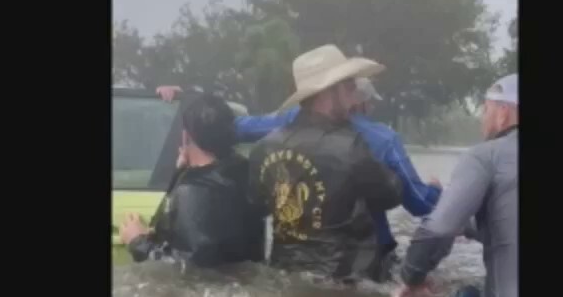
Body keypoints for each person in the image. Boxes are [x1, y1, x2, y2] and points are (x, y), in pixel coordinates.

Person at [155, 78, 443, 275]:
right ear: (341, 94)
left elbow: (225, 128)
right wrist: (438, 193)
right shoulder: (379, 139)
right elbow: (415, 202)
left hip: (287, 265)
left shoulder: (276, 132)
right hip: (356, 266)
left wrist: (189, 103)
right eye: (349, 86)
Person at [247, 44, 403, 282]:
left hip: (284, 272)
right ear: (328, 92)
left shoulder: (263, 148)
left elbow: (258, 205)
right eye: (350, 87)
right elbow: (390, 195)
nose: (354, 97)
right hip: (343, 277)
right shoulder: (351, 145)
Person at [394, 74, 519, 297]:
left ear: (503, 114)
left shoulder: (485, 156)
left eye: (485, 110)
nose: (481, 120)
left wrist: (411, 279)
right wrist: (465, 220)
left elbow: (438, 229)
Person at [118, 94, 265, 267]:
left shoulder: (193, 190)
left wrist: (138, 242)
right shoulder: (247, 170)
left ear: (185, 137)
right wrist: (181, 171)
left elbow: (188, 269)